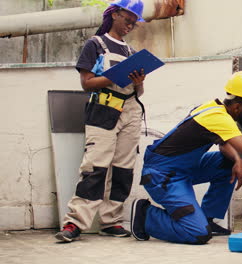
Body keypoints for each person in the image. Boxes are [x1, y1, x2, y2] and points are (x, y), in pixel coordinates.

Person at [130, 71, 242, 244]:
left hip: (182, 168)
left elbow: (223, 143)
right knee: (197, 234)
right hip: (163, 174)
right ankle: (145, 215)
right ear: (238, 106)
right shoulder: (218, 118)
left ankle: (207, 218)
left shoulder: (214, 108)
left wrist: (238, 160)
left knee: (228, 162)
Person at [55, 0, 146, 242]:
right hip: (103, 108)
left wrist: (137, 80)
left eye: (134, 23)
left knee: (123, 170)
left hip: (130, 110)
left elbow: (140, 92)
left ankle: (111, 221)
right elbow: (86, 83)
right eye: (127, 19)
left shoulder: (132, 52)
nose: (130, 25)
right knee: (95, 167)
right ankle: (75, 223)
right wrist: (115, 76)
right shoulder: (95, 45)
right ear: (115, 14)